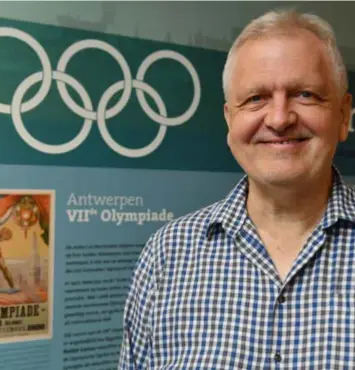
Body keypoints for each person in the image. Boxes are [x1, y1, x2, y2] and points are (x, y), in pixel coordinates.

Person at [118, 9, 354, 369]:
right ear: (230, 120)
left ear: (343, 115)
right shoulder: (166, 257)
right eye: (256, 98)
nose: (279, 119)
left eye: (305, 94)